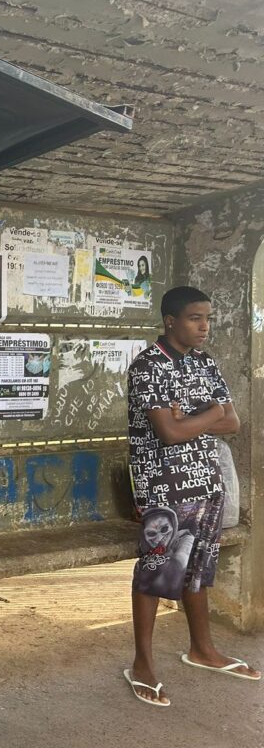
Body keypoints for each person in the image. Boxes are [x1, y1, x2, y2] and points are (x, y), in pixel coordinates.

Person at [124, 286, 260, 707]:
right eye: (194, 318)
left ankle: (202, 650)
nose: (204, 327)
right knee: (155, 571)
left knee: (197, 569)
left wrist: (193, 418)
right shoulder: (148, 367)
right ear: (171, 321)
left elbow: (233, 422)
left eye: (208, 318)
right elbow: (169, 432)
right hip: (163, 486)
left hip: (206, 481)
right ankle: (142, 665)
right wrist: (209, 413)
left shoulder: (205, 362)